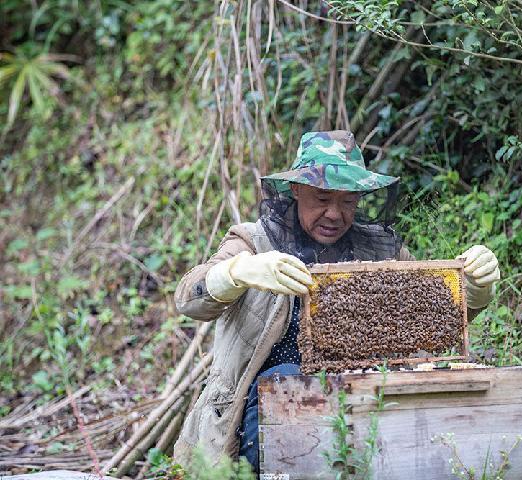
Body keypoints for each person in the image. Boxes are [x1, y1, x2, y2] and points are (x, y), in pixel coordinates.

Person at [172, 130, 501, 471]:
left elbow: (429, 323)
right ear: (296, 190)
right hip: (252, 425)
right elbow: (188, 299)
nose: (334, 214)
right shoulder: (253, 241)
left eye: (347, 201)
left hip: (360, 412)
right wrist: (237, 271)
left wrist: (475, 289)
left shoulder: (383, 250)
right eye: (323, 198)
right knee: (286, 378)